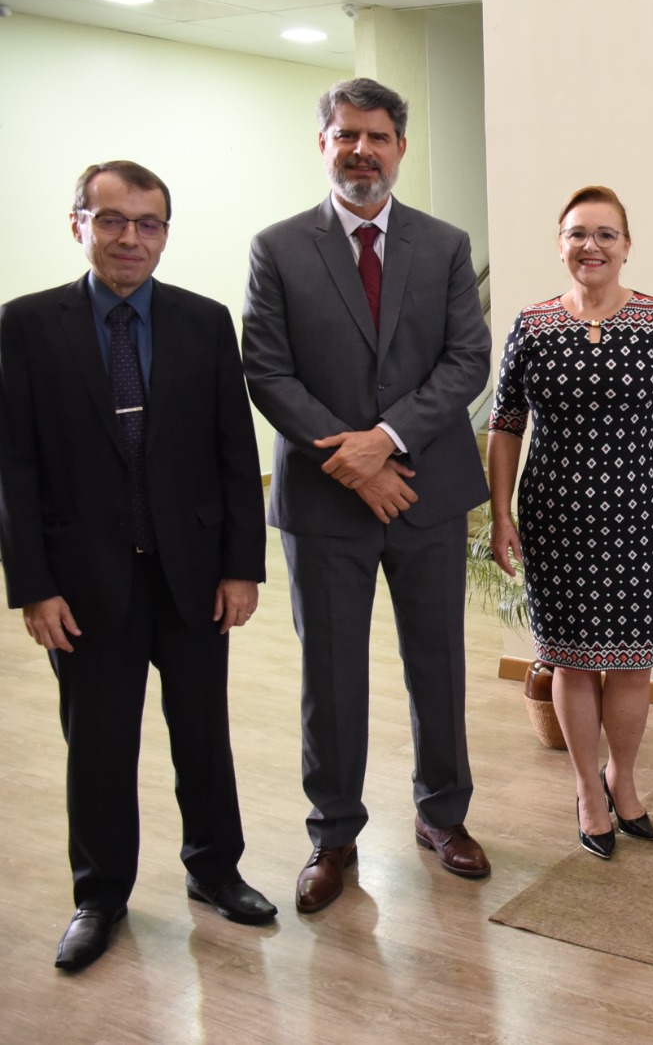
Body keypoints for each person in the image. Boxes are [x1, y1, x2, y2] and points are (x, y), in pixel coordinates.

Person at [0, 161, 276, 970]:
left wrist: (241, 567)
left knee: (203, 732)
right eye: (112, 220)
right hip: (83, 584)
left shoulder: (203, 321)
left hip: (191, 573)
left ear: (164, 232)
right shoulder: (26, 326)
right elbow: (13, 468)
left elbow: (235, 453)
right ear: (78, 222)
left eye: (148, 223)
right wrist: (34, 586)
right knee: (99, 744)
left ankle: (215, 871)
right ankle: (100, 895)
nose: (130, 238)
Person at [241, 78, 492, 912]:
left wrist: (383, 442)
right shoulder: (277, 248)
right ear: (324, 144)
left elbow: (466, 361)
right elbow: (266, 369)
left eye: (377, 136)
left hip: (424, 488)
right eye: (346, 135)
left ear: (400, 148)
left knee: (438, 664)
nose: (362, 151)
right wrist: (346, 458)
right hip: (323, 502)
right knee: (331, 674)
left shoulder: (445, 244)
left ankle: (442, 816)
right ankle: (333, 835)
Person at [485, 185, 653, 860]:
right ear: (560, 244)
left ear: (627, 245)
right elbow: (505, 425)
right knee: (572, 664)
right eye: (578, 233)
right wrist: (500, 513)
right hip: (554, 518)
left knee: (633, 665)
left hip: (637, 514)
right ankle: (587, 790)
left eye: (606, 234)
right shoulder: (532, 325)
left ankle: (624, 780)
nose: (592, 246)